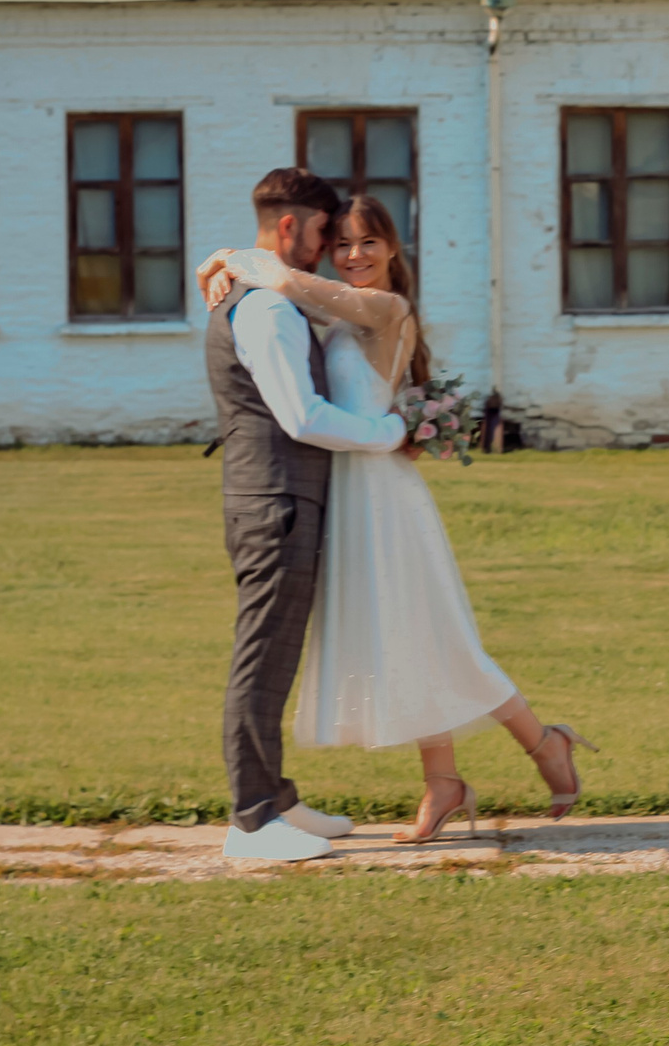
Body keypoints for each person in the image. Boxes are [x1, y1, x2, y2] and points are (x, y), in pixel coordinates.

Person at [199, 194, 593, 845]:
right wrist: (229, 262)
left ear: (393, 251)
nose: (354, 255)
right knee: (406, 641)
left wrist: (224, 259)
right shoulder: (328, 315)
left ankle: (545, 741)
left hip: (383, 495)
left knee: (437, 639)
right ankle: (444, 781)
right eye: (343, 244)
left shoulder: (386, 308)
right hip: (347, 491)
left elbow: (290, 280)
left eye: (368, 243)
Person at [206, 168, 409, 863]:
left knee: (277, 654)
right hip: (275, 501)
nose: (331, 250)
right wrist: (389, 435)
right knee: (261, 660)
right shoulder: (266, 310)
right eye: (325, 232)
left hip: (283, 498)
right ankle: (253, 821)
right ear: (290, 227)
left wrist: (227, 257)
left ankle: (277, 797)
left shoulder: (275, 297)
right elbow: (300, 415)